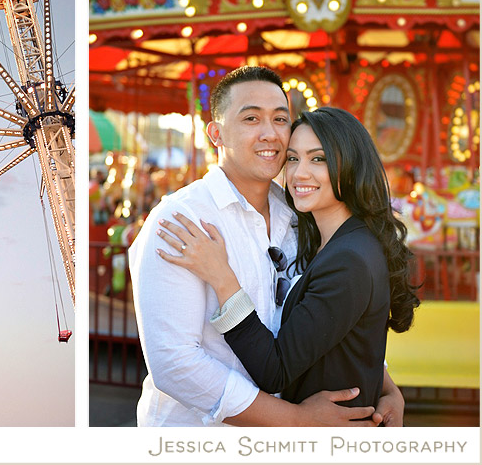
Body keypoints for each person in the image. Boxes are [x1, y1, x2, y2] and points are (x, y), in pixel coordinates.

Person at [129, 66, 405, 427]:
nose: (270, 134)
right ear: (216, 133)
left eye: (280, 118)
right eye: (251, 118)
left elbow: (325, 315)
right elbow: (175, 363)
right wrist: (292, 419)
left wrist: (385, 385)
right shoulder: (181, 220)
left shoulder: (298, 214)